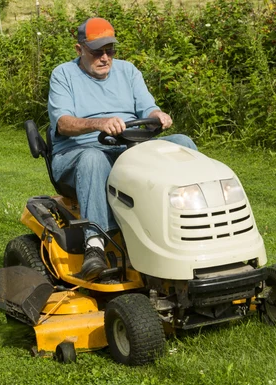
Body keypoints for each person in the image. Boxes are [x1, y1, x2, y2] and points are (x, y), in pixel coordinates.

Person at [47, 17, 197, 280]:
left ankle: (191, 227)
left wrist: (157, 114)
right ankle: (94, 245)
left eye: (110, 50)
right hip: (77, 153)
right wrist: (99, 124)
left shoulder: (128, 72)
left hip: (128, 148)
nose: (105, 58)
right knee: (94, 159)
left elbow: (147, 108)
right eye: (97, 52)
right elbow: (64, 124)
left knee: (183, 144)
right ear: (79, 49)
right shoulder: (63, 75)